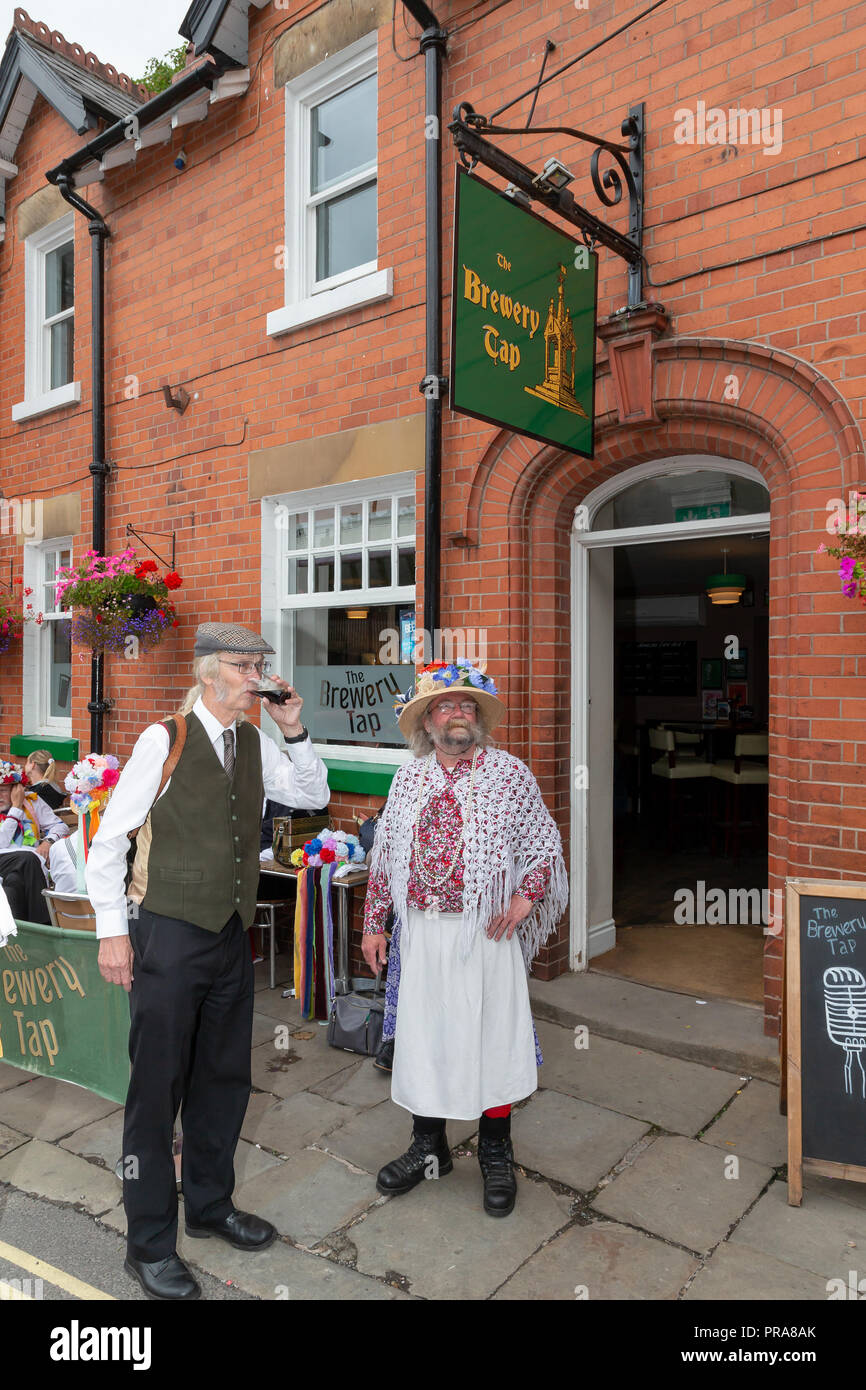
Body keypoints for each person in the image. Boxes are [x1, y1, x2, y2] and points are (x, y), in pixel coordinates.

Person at [86, 623, 330, 1301]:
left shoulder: (252, 739)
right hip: (166, 934)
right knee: (155, 1091)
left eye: (260, 665)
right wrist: (113, 934)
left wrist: (295, 730)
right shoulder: (163, 739)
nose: (255, 675)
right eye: (242, 665)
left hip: (229, 934)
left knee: (224, 1079)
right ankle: (148, 1242)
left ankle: (211, 1205)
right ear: (207, 673)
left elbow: (310, 797)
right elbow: (108, 843)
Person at [362, 660, 567, 1217]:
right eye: (445, 706)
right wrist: (374, 923)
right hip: (422, 933)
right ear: (427, 724)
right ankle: (428, 1145)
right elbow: (385, 857)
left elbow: (543, 843)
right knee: (425, 1038)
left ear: (478, 720)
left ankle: (496, 1151)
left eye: (467, 706)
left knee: (491, 1040)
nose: (458, 714)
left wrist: (526, 896)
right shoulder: (409, 778)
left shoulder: (507, 774)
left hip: (486, 934)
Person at [0, 762, 70, 922]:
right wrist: (16, 809)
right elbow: (2, 842)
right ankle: (45, 925)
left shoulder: (31, 801)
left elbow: (60, 826)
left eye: (3, 790)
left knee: (14, 883)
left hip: (25, 868)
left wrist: (48, 841)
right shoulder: (19, 806)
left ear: (16, 789)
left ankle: (24, 937)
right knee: (28, 858)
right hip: (11, 859)